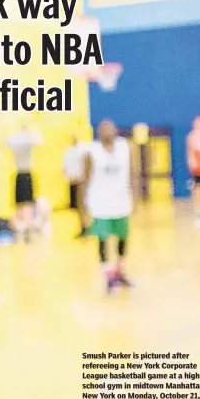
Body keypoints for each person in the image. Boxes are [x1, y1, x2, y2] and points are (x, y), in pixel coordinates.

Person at [80, 120, 137, 294]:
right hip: (100, 204)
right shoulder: (92, 152)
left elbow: (133, 173)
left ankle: (120, 271)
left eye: (110, 128)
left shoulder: (125, 148)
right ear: (99, 132)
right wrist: (82, 206)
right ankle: (108, 276)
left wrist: (136, 196)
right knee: (103, 239)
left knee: (122, 238)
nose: (107, 131)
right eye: (103, 129)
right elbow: (84, 179)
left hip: (121, 201)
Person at [6, 126, 42, 241]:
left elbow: (39, 140)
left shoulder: (25, 141)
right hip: (22, 174)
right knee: (21, 204)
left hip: (24, 174)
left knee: (27, 204)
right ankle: (22, 229)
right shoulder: (21, 141)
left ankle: (27, 229)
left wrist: (26, 133)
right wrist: (25, 133)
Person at [63, 135, 88, 238]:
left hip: (82, 180)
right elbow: (65, 166)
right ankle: (83, 226)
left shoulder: (84, 149)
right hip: (74, 180)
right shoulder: (69, 151)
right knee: (78, 206)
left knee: (84, 205)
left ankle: (88, 225)